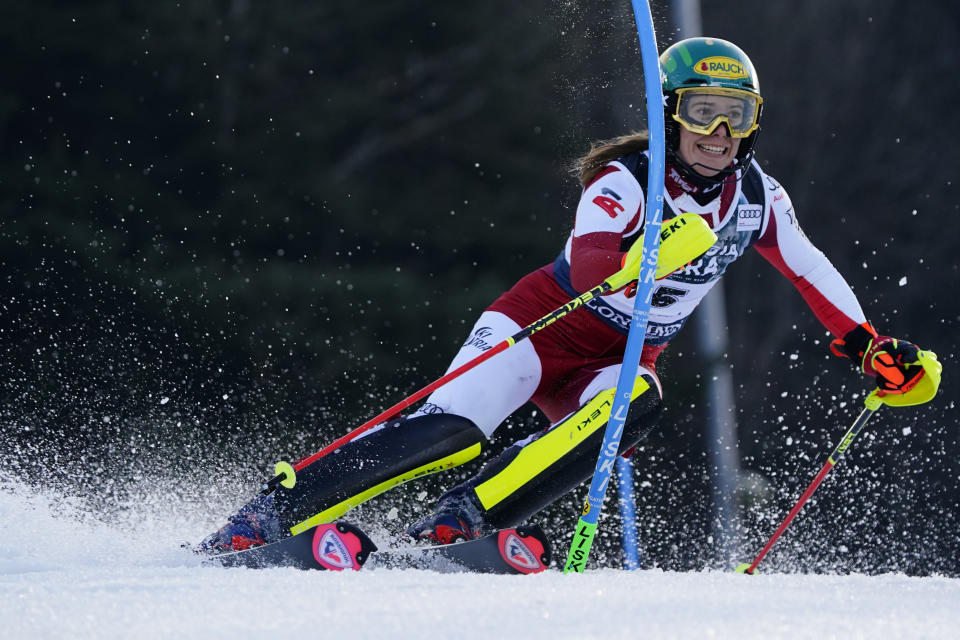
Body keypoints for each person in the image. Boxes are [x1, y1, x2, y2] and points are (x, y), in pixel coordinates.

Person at [198, 37, 940, 554]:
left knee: (636, 399)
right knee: (449, 432)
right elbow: (589, 270)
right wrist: (644, 255)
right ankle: (277, 512)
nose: (718, 132)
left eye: (737, 115)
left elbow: (809, 270)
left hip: (617, 357)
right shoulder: (626, 181)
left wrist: (869, 348)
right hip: (540, 328)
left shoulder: (757, 198)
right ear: (669, 113)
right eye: (702, 111)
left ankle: (462, 521)